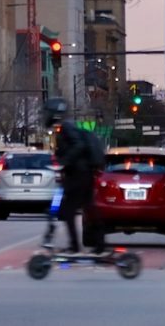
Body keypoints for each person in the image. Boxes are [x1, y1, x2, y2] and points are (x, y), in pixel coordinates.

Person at [47, 98, 103, 256]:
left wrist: (64, 161)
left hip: (78, 175)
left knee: (68, 210)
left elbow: (79, 145)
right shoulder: (65, 127)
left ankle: (75, 247)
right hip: (82, 174)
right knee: (89, 208)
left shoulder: (66, 127)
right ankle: (99, 245)